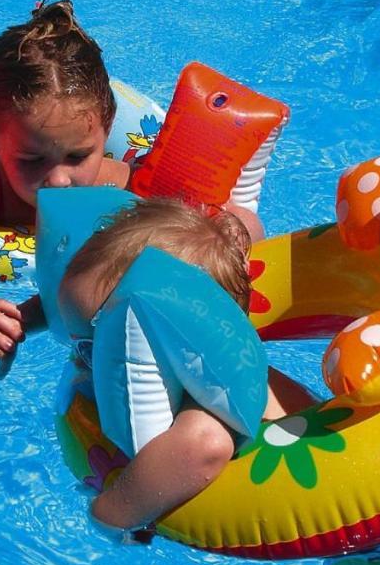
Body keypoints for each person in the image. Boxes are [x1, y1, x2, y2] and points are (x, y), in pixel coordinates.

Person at [0, 0, 264, 366]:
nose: (59, 179)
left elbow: (238, 223)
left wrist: (235, 239)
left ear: (108, 125)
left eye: (79, 155)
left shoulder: (132, 192)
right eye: (31, 160)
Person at [55, 197, 313, 534]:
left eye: (93, 349)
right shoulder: (212, 377)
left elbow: (207, 445)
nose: (80, 361)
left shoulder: (206, 415)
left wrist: (111, 514)